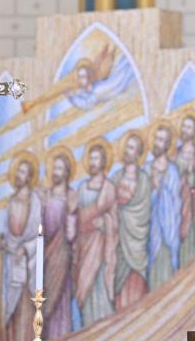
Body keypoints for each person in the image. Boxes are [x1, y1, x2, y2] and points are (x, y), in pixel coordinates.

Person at [72, 138, 118, 327]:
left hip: (101, 248)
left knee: (99, 287)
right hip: (84, 247)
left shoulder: (109, 188)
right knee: (85, 290)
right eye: (90, 159)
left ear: (104, 161)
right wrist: (85, 221)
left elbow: (114, 221)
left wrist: (105, 223)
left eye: (96, 159)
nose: (93, 163)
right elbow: (77, 218)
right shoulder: (82, 188)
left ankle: (103, 329)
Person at [0, 151, 42, 341]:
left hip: (29, 264)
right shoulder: (11, 201)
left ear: (30, 176)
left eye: (23, 172)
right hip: (12, 262)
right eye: (18, 171)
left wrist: (25, 249)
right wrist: (5, 244)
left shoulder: (35, 202)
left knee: (27, 307)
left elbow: (39, 236)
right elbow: (7, 234)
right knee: (12, 308)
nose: (19, 175)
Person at [112, 131, 151, 310]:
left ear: (139, 153)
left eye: (133, 148)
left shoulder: (143, 180)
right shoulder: (115, 178)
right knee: (118, 282)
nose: (129, 151)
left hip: (137, 241)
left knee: (136, 284)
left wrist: (127, 214)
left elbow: (144, 210)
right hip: (118, 241)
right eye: (128, 147)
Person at [41, 146, 77, 337]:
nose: (56, 172)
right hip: (46, 257)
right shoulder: (45, 196)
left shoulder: (71, 197)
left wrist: (71, 213)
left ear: (67, 173)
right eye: (54, 168)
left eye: (60, 169)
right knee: (45, 303)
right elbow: (39, 230)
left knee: (60, 301)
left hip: (62, 257)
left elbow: (71, 235)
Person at [144, 123, 182, 290]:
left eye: (161, 140)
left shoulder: (172, 171)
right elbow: (142, 200)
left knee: (165, 267)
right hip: (149, 229)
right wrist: (152, 189)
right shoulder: (146, 169)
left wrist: (161, 189)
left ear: (167, 145)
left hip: (167, 230)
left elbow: (175, 202)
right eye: (156, 139)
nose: (157, 143)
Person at [174, 112, 195, 267]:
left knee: (189, 236)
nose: (185, 130)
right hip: (176, 202)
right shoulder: (176, 152)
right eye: (184, 127)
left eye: (189, 127)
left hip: (191, 204)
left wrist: (190, 181)